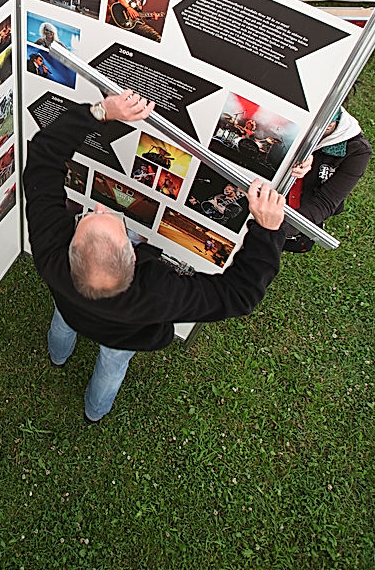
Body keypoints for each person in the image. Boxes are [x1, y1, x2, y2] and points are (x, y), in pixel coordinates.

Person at [23, 91, 287, 423]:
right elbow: (240, 295)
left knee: (63, 325)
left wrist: (101, 111)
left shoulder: (51, 255)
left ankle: (57, 358)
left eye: (93, 214)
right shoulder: (159, 295)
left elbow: (42, 160)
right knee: (112, 364)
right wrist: (267, 230)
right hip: (124, 336)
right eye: (109, 219)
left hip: (70, 308)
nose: (101, 206)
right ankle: (94, 412)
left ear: (71, 249)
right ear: (132, 260)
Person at [283, 105, 371, 252]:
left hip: (299, 212)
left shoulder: (357, 151)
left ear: (330, 123)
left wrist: (279, 229)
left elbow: (326, 201)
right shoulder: (286, 119)